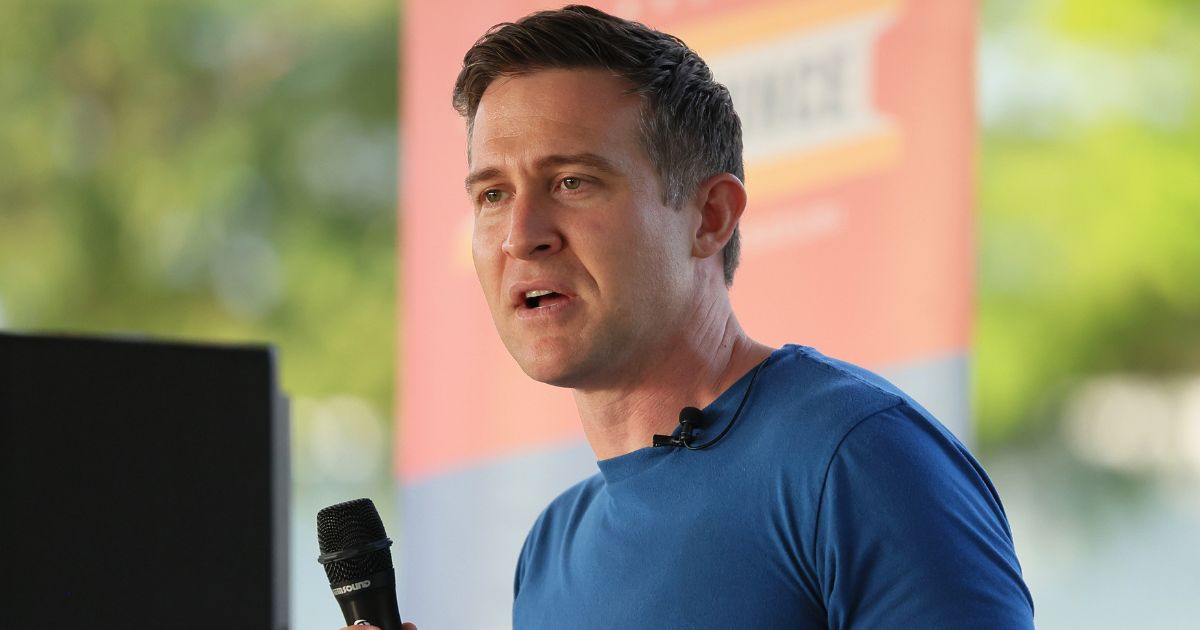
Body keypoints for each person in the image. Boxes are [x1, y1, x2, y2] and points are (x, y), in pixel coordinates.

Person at [348, 4, 1033, 629]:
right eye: (493, 194)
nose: (521, 233)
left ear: (709, 218)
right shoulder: (551, 548)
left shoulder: (855, 458)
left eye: (573, 182)